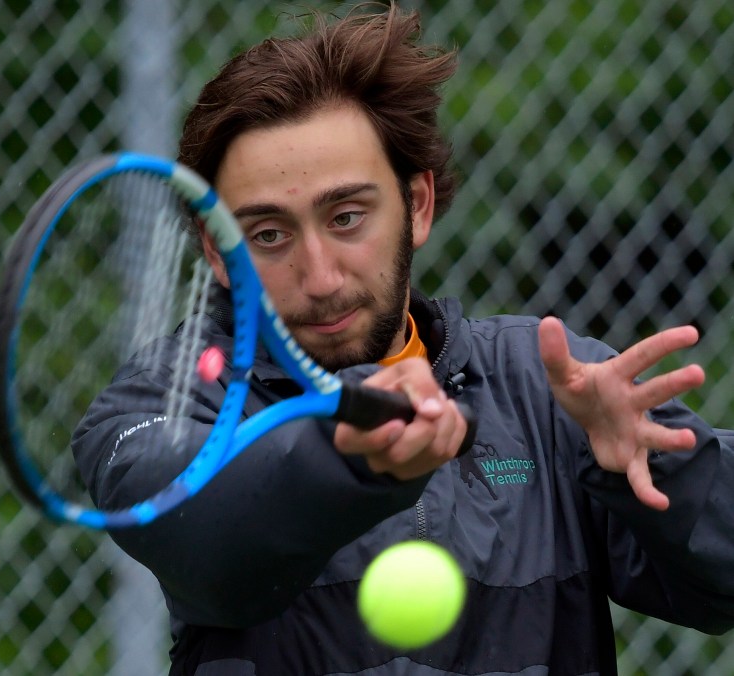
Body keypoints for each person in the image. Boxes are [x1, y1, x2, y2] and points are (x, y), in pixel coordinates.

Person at [72, 3, 734, 674]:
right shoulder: (159, 404)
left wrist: (661, 472)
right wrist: (345, 459)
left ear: (416, 207)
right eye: (269, 234)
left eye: (348, 217)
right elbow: (204, 541)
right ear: (219, 254)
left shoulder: (557, 387)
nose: (321, 277)